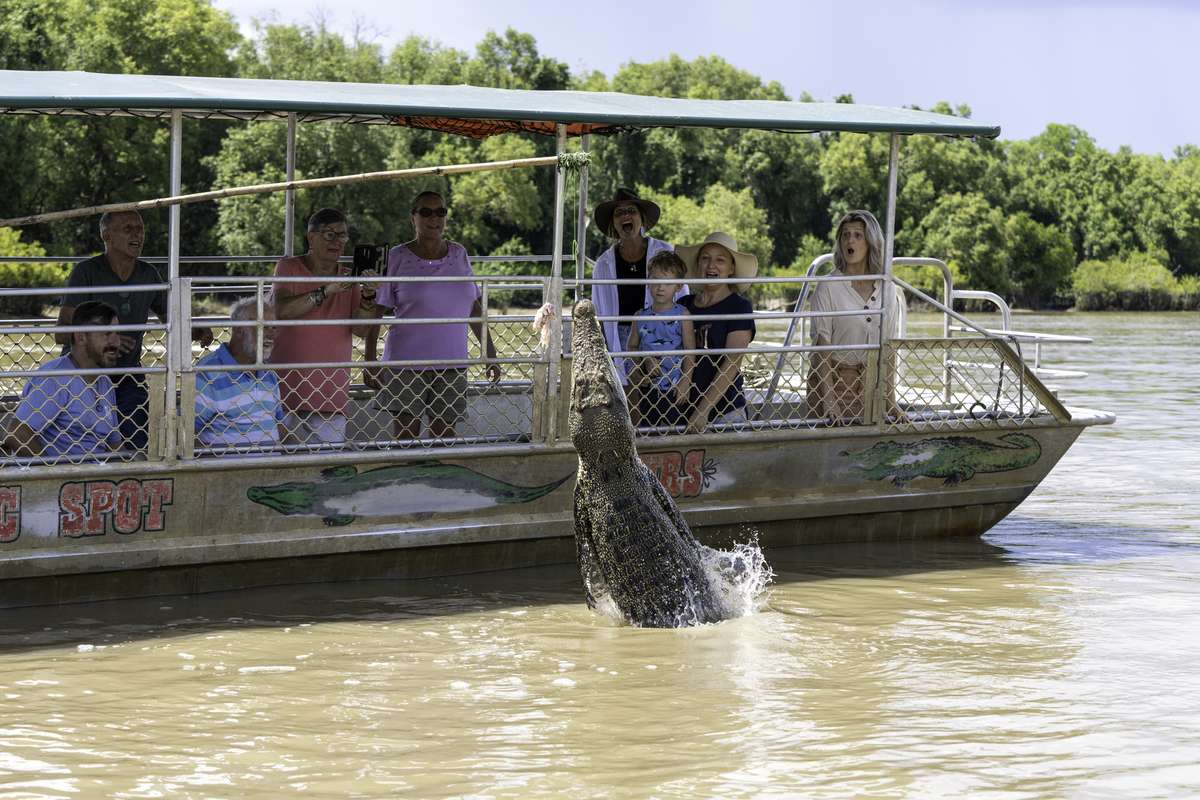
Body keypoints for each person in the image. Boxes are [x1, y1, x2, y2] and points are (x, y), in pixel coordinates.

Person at [55, 210, 212, 452]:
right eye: (128, 229)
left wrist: (197, 328)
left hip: (127, 374)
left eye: (140, 229)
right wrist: (106, 338)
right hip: (83, 375)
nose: (137, 234)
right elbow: (61, 333)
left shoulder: (148, 274)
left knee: (140, 433)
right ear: (107, 236)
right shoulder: (87, 271)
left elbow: (171, 316)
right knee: (85, 441)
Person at [364, 190, 501, 441]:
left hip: (452, 363)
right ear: (412, 218)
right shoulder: (396, 256)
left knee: (444, 439)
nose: (433, 218)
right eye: (425, 212)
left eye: (440, 212)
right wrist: (370, 359)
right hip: (405, 364)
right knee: (405, 438)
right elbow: (377, 312)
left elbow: (473, 306)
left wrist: (490, 353)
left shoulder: (459, 254)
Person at [268, 207, 378, 447]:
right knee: (281, 465)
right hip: (285, 394)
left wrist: (369, 297)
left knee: (326, 468)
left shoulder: (350, 277)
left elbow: (361, 330)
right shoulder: (289, 267)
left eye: (343, 236)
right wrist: (327, 290)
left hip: (330, 394)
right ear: (311, 237)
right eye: (330, 235)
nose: (338, 242)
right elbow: (283, 311)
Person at [4, 301, 122, 460]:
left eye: (117, 333)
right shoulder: (55, 379)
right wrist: (57, 472)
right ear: (81, 337)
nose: (116, 342)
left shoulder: (105, 383)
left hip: (97, 476)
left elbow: (114, 445)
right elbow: (17, 434)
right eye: (107, 334)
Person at [808, 209, 895, 423]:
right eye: (845, 235)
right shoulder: (828, 287)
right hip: (831, 383)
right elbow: (822, 346)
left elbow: (889, 348)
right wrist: (829, 400)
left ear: (870, 242)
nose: (850, 240)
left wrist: (891, 402)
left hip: (871, 384)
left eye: (858, 235)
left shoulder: (887, 288)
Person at [590, 188, 681, 376]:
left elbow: (682, 296)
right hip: (621, 337)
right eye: (619, 213)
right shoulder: (603, 264)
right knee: (630, 392)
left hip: (662, 332)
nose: (625, 216)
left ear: (641, 219)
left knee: (662, 391)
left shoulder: (665, 252)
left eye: (631, 211)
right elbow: (598, 311)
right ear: (614, 223)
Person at [674, 232, 758, 433]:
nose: (711, 265)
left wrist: (703, 411)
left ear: (731, 269)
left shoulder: (739, 307)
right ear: (698, 265)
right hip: (680, 408)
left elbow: (731, 364)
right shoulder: (682, 305)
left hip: (725, 412)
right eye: (705, 258)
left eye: (720, 260)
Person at [194, 298, 284, 451]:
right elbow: (186, 431)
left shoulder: (268, 372)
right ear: (239, 329)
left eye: (274, 327)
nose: (271, 334)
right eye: (264, 326)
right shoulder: (208, 372)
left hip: (271, 470)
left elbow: (278, 423)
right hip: (227, 471)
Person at [627, 251, 694, 429]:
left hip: (675, 388)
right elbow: (631, 347)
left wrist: (686, 382)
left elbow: (690, 351)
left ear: (678, 286)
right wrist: (642, 363)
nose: (660, 287)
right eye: (655, 280)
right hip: (648, 387)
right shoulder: (639, 316)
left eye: (667, 282)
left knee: (675, 430)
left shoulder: (683, 315)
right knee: (648, 429)